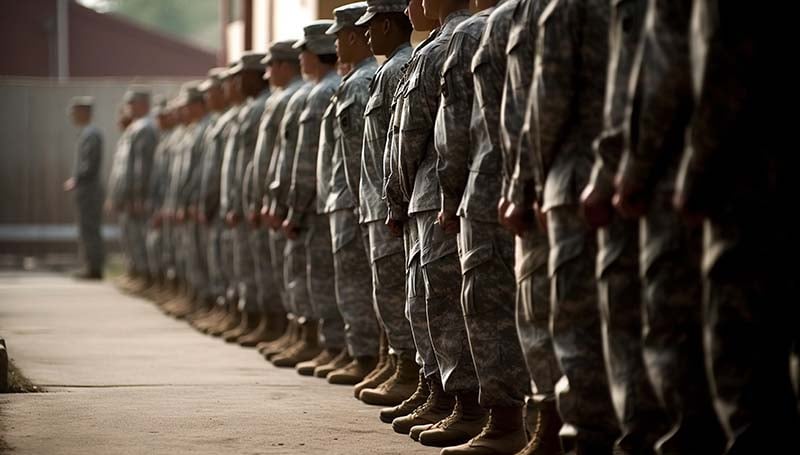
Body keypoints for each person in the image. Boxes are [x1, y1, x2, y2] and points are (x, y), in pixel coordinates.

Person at [64, 96, 105, 280]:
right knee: (85, 228)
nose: (72, 115)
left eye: (75, 111)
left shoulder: (92, 134)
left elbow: (89, 164)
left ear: (84, 112)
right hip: (85, 188)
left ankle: (94, 267)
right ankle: (89, 265)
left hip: (89, 189)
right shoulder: (86, 133)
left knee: (89, 228)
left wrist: (77, 179)